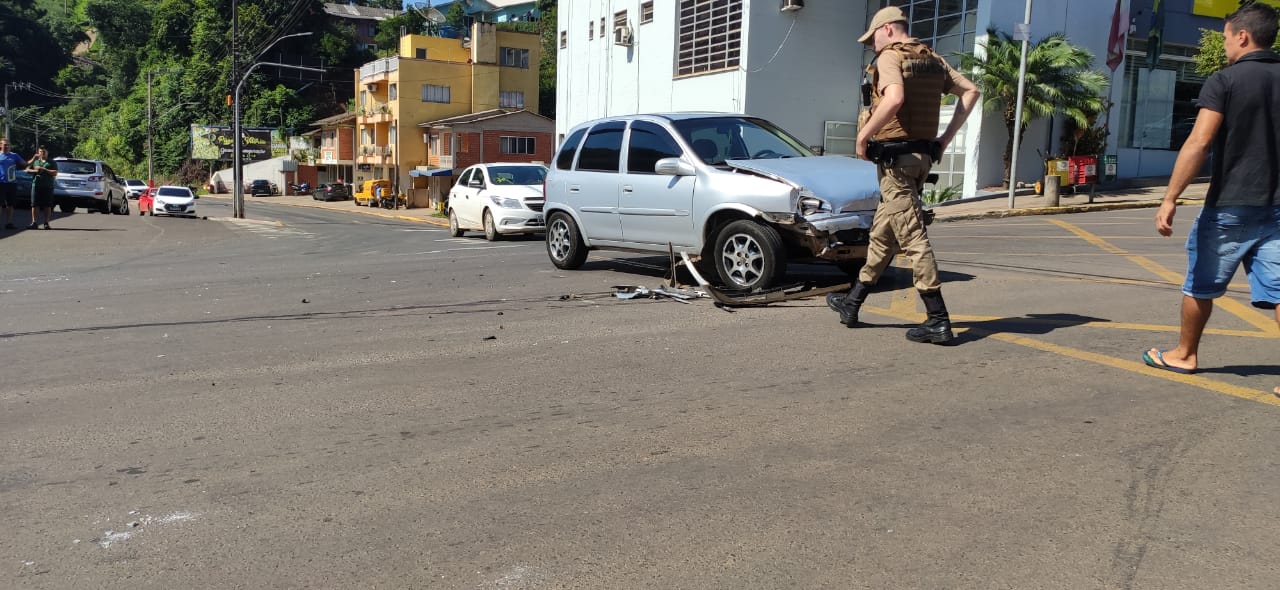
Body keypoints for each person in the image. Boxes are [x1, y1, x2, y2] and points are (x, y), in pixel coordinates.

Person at [1143, 3, 1280, 398]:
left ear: (1242, 35)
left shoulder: (1225, 81)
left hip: (1231, 204)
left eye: (1224, 38)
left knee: (1200, 283)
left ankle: (1185, 354)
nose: (1223, 46)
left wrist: (1170, 198)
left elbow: (1199, 141)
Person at [827, 6, 980, 344]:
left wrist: (863, 135)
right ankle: (852, 303)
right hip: (920, 159)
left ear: (889, 30)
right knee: (883, 236)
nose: (872, 46)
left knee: (913, 238)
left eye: (873, 39)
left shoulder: (891, 58)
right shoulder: (932, 59)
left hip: (896, 163)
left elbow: (894, 98)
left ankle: (938, 320)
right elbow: (971, 91)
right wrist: (943, 140)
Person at [25, 146, 56, 230]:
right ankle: (34, 222)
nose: (42, 153)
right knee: (35, 205)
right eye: (40, 151)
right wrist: (35, 171)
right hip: (36, 185)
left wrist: (44, 169)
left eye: (44, 151)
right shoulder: (36, 162)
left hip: (48, 186)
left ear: (47, 152)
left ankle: (46, 223)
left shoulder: (51, 162)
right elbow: (27, 169)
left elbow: (55, 173)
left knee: (47, 205)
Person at [0, 138, 27, 230]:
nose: (6, 146)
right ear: (1, 145)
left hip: (12, 183)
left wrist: (34, 159)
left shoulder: (14, 155)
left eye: (8, 145)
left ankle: (9, 223)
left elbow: (25, 163)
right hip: (1, 183)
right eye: (4, 144)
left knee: (10, 204)